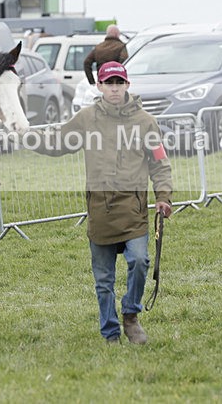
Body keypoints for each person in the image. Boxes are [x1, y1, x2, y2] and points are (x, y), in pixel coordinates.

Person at [30, 62, 173, 344]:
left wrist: (163, 196)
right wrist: (24, 135)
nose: (115, 88)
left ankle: (131, 315)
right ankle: (110, 333)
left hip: (133, 212)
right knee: (104, 280)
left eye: (119, 83)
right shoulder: (86, 119)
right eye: (109, 83)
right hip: (100, 212)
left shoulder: (146, 122)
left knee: (140, 261)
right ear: (99, 86)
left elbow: (160, 163)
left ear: (128, 85)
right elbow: (56, 142)